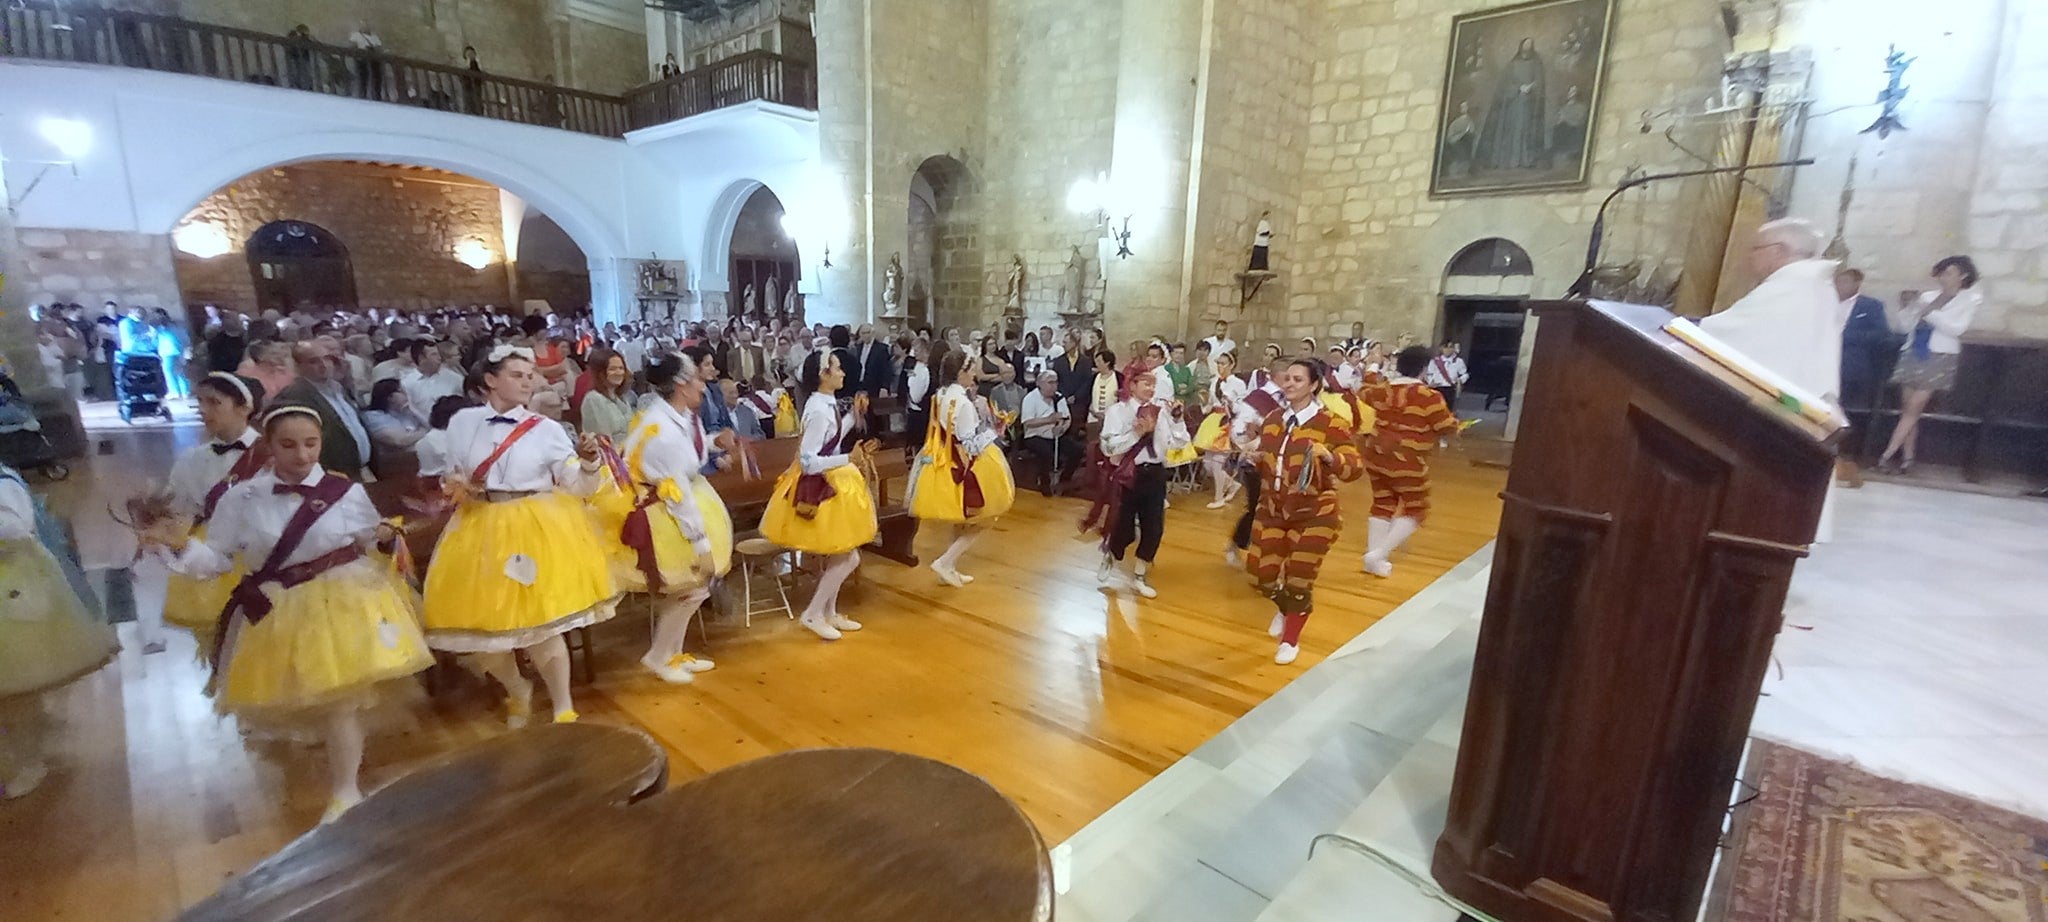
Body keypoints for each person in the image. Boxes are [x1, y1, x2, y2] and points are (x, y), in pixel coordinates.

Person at [142, 405, 432, 822]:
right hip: (280, 607)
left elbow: (369, 538)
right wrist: (180, 545)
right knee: (309, 697)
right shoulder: (242, 498)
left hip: (345, 599)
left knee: (341, 701)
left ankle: (345, 788)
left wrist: (387, 536)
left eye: (311, 444)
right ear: (268, 446)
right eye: (289, 445)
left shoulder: (344, 491)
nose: (302, 455)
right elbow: (218, 560)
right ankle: (332, 774)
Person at [422, 346, 620, 728]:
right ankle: (517, 688)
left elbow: (578, 486)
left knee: (543, 625)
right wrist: (458, 485)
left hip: (534, 525)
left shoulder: (546, 429)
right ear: (491, 380)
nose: (528, 380)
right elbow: (451, 474)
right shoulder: (463, 422)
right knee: (483, 635)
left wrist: (591, 462)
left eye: (530, 374)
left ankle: (563, 706)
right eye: (517, 374)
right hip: (480, 527)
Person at [0, 462, 119, 800]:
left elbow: (17, 529)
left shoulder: (4, 482)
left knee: (18, 682)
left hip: (12, 587)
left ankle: (27, 758)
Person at [613, 354, 734, 681]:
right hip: (668, 513)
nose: (702, 383)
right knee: (692, 584)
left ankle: (672, 653)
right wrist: (701, 543)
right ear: (681, 384)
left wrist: (712, 442)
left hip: (682, 500)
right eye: (696, 377)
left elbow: (688, 454)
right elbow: (676, 490)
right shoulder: (662, 428)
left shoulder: (679, 416)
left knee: (692, 587)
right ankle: (658, 656)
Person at [1248, 360, 1366, 665]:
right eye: (1287, 379)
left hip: (1315, 512)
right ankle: (1284, 607)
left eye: (1297, 379)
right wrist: (1257, 457)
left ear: (1314, 385)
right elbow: (1272, 460)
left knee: (1300, 578)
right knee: (1262, 576)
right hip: (1273, 509)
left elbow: (1354, 467)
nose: (1289, 384)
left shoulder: (1331, 423)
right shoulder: (1273, 419)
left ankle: (1290, 639)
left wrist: (1330, 457)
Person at [762, 352, 880, 640]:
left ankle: (828, 612)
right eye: (837, 369)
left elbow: (831, 439)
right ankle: (814, 613)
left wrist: (854, 415)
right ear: (824, 375)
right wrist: (847, 459)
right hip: (821, 488)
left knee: (844, 555)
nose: (842, 373)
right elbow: (808, 461)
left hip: (833, 481)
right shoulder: (817, 409)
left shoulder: (824, 404)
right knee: (847, 557)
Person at [148, 373, 268, 657]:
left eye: (215, 402)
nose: (203, 410)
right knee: (222, 641)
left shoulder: (271, 453)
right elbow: (179, 507)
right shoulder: (192, 459)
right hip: (213, 552)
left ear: (244, 408)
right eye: (200, 402)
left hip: (258, 554)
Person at [1698, 219, 1844, 405]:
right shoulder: (1814, 285)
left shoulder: (1790, 287)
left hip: (1775, 403)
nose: (1750, 257)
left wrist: (1685, 327)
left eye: (1756, 248)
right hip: (1799, 399)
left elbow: (1729, 334)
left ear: (1778, 250)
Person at [912, 351, 1016, 587]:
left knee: (960, 518)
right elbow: (969, 445)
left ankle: (948, 568)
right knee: (982, 520)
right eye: (970, 370)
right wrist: (995, 431)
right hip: (965, 463)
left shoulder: (940, 394)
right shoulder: (964, 403)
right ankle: (945, 561)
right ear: (960, 373)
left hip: (945, 459)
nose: (974, 374)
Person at [1359, 347, 1462, 579]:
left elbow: (1363, 389)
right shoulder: (1429, 396)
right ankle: (1378, 554)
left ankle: (1373, 559)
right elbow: (1445, 426)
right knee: (1417, 508)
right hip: (1407, 460)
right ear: (1424, 368)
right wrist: (1458, 426)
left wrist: (1373, 364)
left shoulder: (1382, 390)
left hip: (1376, 455)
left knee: (1382, 502)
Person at [1877, 256, 1983, 474]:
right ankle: (1907, 458)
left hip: (1939, 355)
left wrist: (1929, 312)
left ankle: (1886, 455)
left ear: (1963, 275)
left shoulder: (1969, 299)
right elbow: (1906, 326)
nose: (1944, 277)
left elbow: (1956, 329)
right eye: (1943, 272)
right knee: (1907, 409)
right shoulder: (1928, 296)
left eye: (1950, 272)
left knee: (1914, 408)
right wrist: (1906, 307)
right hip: (1914, 351)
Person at [1093, 370, 1190, 598]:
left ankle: (1139, 575)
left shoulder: (1162, 412)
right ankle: (1111, 553)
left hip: (1155, 474)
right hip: (1129, 474)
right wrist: (1136, 434)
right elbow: (1108, 447)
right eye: (1146, 383)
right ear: (1132, 385)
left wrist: (1177, 420)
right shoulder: (1117, 412)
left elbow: (1180, 442)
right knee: (1123, 527)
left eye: (1153, 384)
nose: (1151, 388)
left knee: (1154, 527)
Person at [275, 340, 373, 479]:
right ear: (298, 367)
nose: (324, 365)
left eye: (327, 358)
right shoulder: (295, 395)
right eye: (314, 361)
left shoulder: (338, 387)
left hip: (360, 471)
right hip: (331, 476)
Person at [1835, 269, 1892, 469]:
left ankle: (1846, 451)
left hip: (1852, 365)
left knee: (1848, 409)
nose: (1840, 285)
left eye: (1845, 281)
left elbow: (1881, 334)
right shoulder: (1825, 302)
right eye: (1838, 281)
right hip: (1824, 361)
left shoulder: (1870, 306)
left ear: (1857, 284)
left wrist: (1844, 337)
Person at [1200, 351, 1250, 509]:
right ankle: (1232, 484)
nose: (1220, 367)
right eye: (1218, 363)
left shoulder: (1238, 384)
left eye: (1223, 363)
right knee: (1207, 462)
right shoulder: (1214, 381)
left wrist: (1230, 403)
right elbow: (1208, 407)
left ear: (1231, 365)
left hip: (1227, 422)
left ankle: (1219, 496)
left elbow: (1243, 407)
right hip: (1213, 421)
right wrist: (1204, 403)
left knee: (1217, 462)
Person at [1019, 371, 1079, 495]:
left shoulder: (1059, 398)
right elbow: (1027, 422)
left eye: (1055, 382)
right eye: (1050, 382)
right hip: (1035, 435)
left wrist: (1062, 428)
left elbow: (1067, 418)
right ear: (1040, 384)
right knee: (1046, 453)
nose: (1054, 386)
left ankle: (1064, 480)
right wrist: (1048, 420)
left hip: (1056, 434)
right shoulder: (1030, 398)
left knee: (1077, 451)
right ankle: (1044, 482)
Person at [579, 348, 636, 444]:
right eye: (612, 369)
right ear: (600, 373)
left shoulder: (622, 398)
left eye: (621, 368)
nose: (619, 372)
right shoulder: (593, 399)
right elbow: (604, 439)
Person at [363, 379, 430, 456]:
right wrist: (423, 431)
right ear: (390, 397)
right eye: (401, 391)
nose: (406, 395)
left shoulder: (406, 412)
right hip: (397, 461)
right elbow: (400, 441)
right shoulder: (374, 416)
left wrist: (413, 411)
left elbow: (431, 426)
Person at [400, 339, 463, 412]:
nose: (439, 358)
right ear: (421, 358)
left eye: (438, 354)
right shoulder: (406, 383)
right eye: (434, 354)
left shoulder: (455, 379)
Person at [152, 308, 190, 400]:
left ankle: (174, 391)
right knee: (180, 372)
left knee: (169, 372)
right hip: (178, 350)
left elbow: (155, 342)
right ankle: (185, 391)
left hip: (167, 352)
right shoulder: (176, 325)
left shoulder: (159, 328)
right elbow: (185, 338)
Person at [1422, 340, 1469, 412]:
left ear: (1453, 349)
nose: (1448, 350)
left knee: (1448, 409)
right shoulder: (1435, 361)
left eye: (1450, 347)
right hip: (1437, 388)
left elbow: (1465, 374)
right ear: (1441, 348)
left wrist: (1460, 380)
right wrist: (1431, 382)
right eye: (1445, 347)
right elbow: (1429, 373)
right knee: (1434, 408)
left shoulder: (1458, 361)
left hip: (1450, 388)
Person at [1088, 350, 1121, 426]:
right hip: (1094, 418)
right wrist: (1093, 411)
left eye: (1099, 361)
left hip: (1113, 420)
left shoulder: (1119, 378)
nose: (1096, 364)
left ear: (1107, 363)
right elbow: (1087, 397)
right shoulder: (1093, 378)